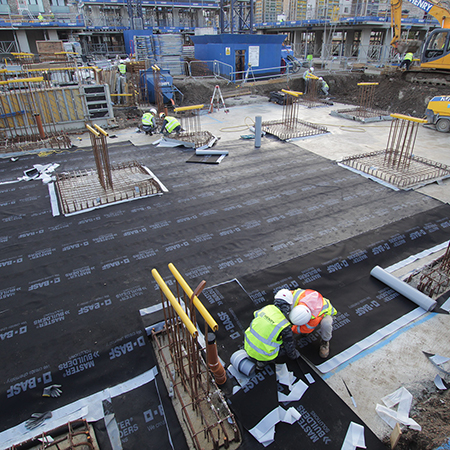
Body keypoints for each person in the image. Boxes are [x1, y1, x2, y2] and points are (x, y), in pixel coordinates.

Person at [244, 289, 301, 369]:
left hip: (247, 346)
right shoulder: (284, 325)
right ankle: (262, 362)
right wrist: (294, 355)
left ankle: (258, 358)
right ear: (289, 305)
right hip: (263, 354)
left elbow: (256, 315)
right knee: (287, 345)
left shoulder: (267, 308)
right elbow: (289, 347)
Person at [288, 288, 337, 358]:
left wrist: (289, 329)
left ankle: (325, 341)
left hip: (325, 313)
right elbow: (285, 295)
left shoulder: (314, 318)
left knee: (326, 324)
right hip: (311, 307)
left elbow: (305, 329)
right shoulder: (296, 296)